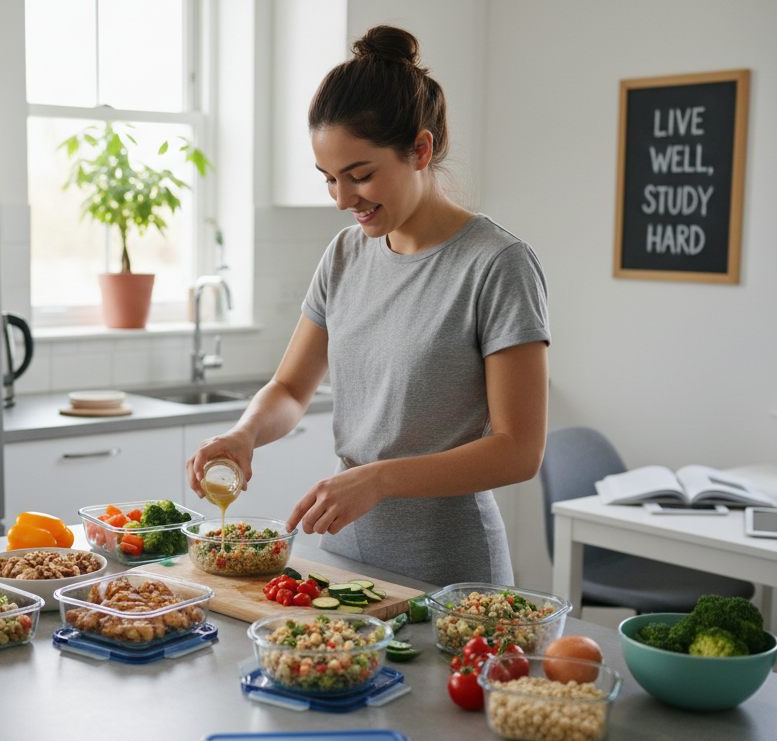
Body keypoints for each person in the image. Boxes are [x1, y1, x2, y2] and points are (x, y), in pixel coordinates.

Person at [184, 25, 549, 586]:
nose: (341, 199)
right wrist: (245, 433)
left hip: (448, 570)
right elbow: (289, 389)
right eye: (329, 178)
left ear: (420, 150)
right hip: (343, 555)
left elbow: (518, 451)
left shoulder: (497, 265)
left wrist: (378, 479)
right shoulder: (346, 255)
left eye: (360, 176)